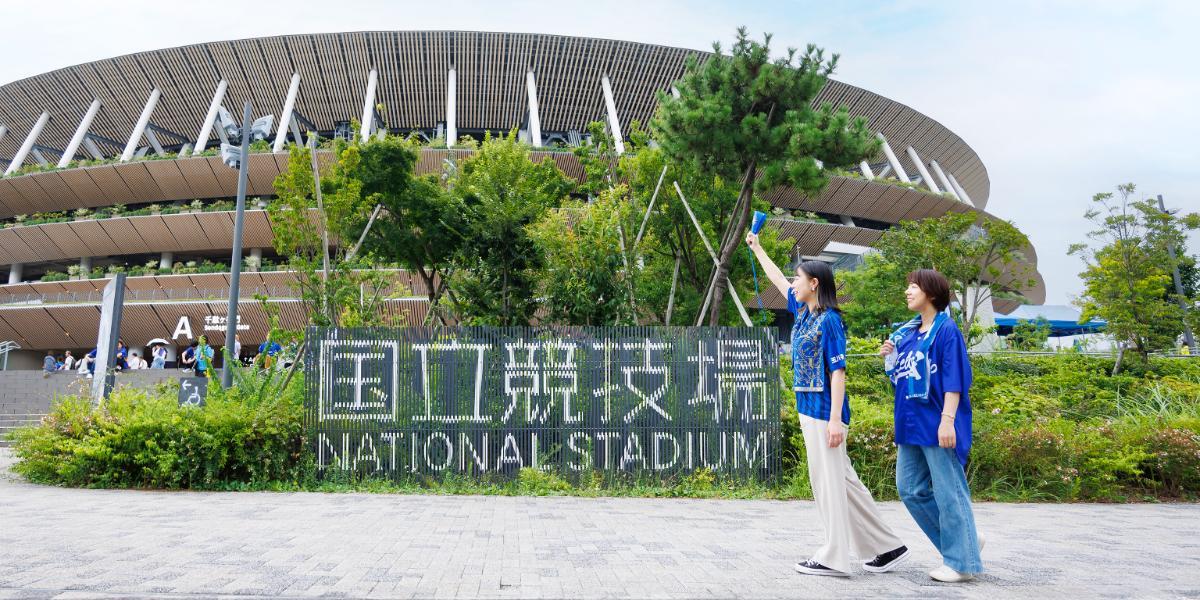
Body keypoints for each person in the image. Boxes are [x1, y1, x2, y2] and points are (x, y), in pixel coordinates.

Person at [746, 231, 908, 577]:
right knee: (844, 482)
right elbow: (776, 280)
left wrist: (835, 420)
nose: (793, 283)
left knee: (828, 484)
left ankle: (834, 557)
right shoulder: (804, 313)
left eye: (798, 279)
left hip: (825, 415)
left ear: (814, 283)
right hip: (810, 411)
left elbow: (838, 372)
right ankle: (887, 546)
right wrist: (757, 248)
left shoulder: (830, 320)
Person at [879, 269, 983, 583]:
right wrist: (889, 358)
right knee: (909, 489)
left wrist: (948, 420)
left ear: (932, 293)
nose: (908, 291)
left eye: (914, 286)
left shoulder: (946, 330)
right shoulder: (907, 333)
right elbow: (902, 377)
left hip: (938, 420)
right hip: (910, 423)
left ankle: (962, 563)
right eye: (908, 285)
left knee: (949, 492)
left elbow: (955, 380)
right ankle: (965, 545)